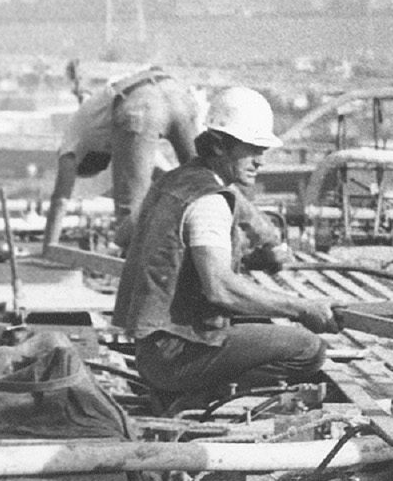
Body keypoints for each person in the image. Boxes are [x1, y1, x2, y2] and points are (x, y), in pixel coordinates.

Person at [112, 87, 338, 412]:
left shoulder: (172, 181)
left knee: (266, 321)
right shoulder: (209, 201)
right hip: (178, 356)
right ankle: (198, 397)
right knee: (308, 349)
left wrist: (246, 258)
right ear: (220, 145)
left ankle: (192, 388)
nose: (260, 160)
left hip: (153, 349)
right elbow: (220, 290)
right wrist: (302, 308)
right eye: (251, 149)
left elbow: (156, 244)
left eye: (263, 149)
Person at [42, 66, 204, 252]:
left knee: (129, 217)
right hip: (173, 90)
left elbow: (60, 200)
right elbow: (165, 176)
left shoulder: (69, 148)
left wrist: (49, 248)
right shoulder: (99, 124)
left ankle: (140, 272)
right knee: (205, 183)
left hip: (138, 102)